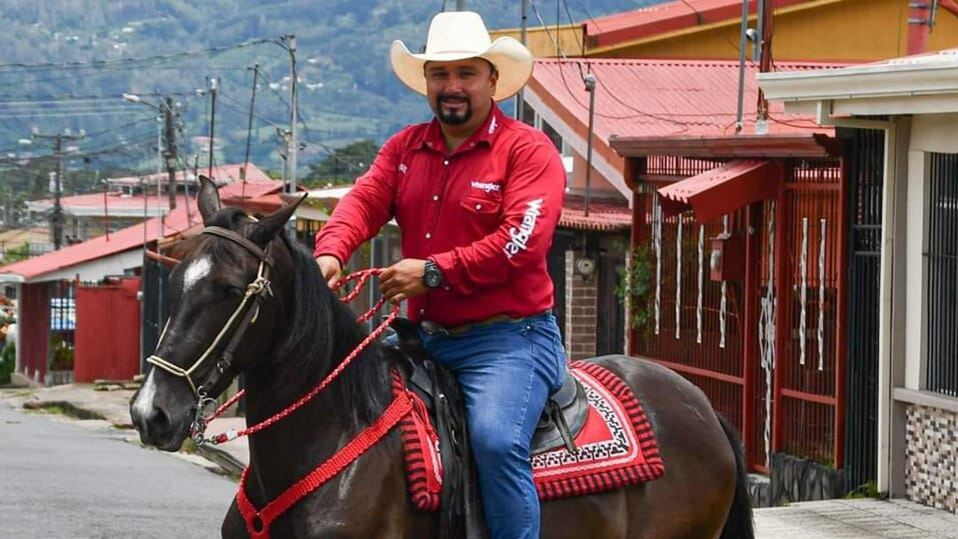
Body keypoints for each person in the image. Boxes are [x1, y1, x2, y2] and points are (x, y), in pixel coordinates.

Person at [314, 11, 567, 539]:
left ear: (492, 79)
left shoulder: (528, 151)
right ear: (426, 83)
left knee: (496, 442)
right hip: (423, 339)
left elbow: (521, 243)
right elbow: (362, 201)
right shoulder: (405, 148)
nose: (452, 87)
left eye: (466, 74)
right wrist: (331, 254)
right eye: (440, 75)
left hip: (510, 341)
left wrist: (432, 273)